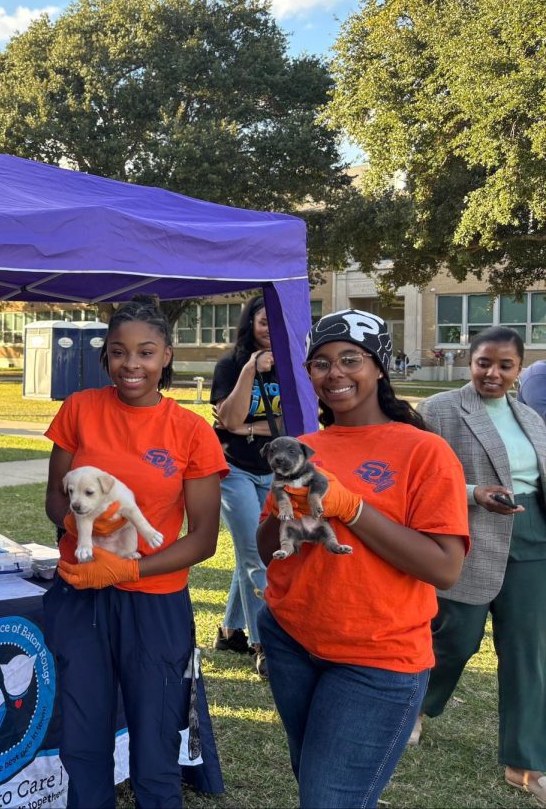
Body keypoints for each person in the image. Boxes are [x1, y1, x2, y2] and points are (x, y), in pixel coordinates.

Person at [256, 308, 470, 809]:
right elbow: (270, 552)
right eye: (321, 363)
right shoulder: (302, 447)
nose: (335, 373)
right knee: (312, 779)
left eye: (350, 359)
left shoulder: (425, 452)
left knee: (329, 798)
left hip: (377, 658)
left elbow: (444, 568)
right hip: (291, 640)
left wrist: (352, 509)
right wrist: (289, 510)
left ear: (379, 366)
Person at [45, 300, 228, 807]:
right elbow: (56, 499)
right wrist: (78, 524)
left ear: (166, 356)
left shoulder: (190, 430)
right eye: (119, 352)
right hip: (81, 594)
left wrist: (128, 568)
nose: (132, 364)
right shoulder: (79, 409)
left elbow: (204, 539)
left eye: (146, 353)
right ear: (105, 355)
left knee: (156, 741)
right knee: (83, 738)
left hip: (154, 603)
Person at [417, 327, 546, 804]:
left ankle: (525, 762)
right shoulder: (439, 410)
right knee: (456, 638)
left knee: (528, 651)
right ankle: (415, 708)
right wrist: (474, 494)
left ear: (519, 370)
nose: (493, 373)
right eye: (484, 363)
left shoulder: (530, 417)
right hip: (470, 536)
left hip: (534, 538)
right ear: (469, 362)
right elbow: (421, 476)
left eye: (504, 366)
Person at [210, 295, 280, 676]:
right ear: (250, 323)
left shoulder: (292, 366)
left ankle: (230, 631)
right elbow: (229, 419)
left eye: (274, 322)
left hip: (272, 471)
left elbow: (292, 424)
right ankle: (264, 643)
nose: (269, 329)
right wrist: (251, 369)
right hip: (234, 468)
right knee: (256, 554)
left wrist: (246, 427)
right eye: (263, 321)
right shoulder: (230, 365)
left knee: (253, 552)